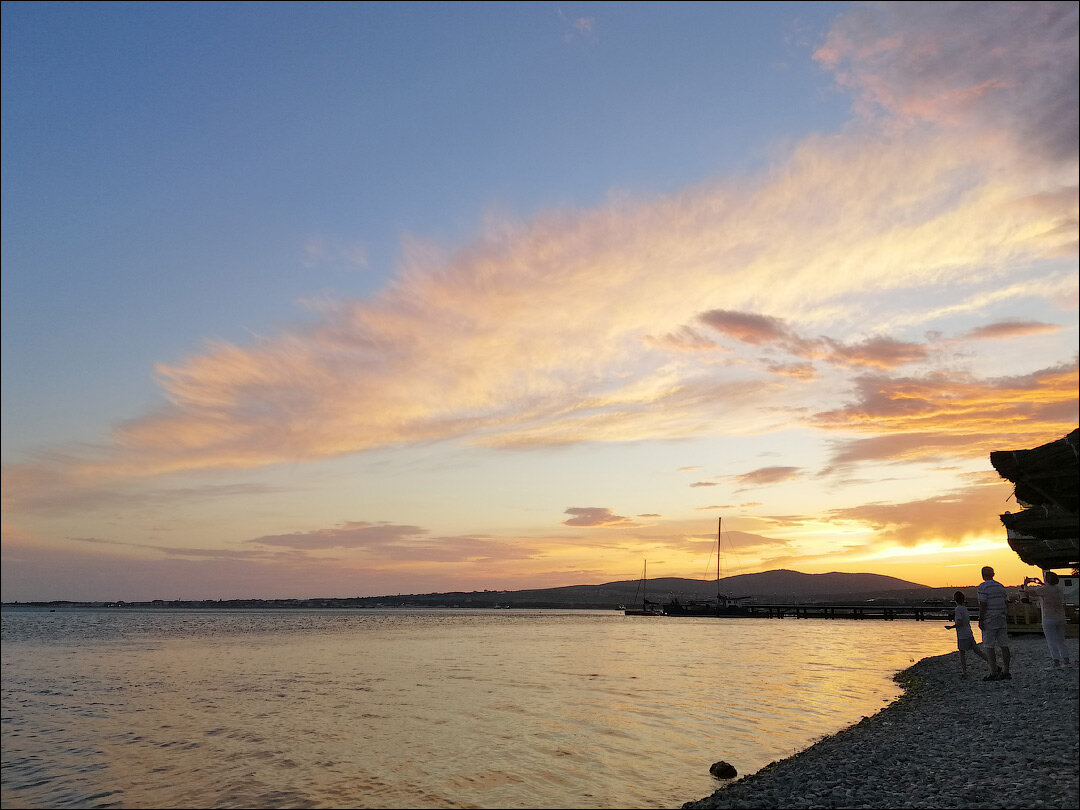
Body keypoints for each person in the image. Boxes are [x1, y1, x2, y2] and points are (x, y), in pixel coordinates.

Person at [1022, 572, 1072, 668]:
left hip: (1048, 617)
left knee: (1051, 640)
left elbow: (1027, 591)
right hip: (1061, 617)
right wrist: (1041, 583)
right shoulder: (1059, 589)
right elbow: (1049, 589)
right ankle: (1066, 660)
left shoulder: (1043, 589)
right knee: (1061, 640)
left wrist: (1025, 583)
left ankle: (1056, 661)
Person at [977, 565, 1011, 681]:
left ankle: (993, 672)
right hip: (1001, 618)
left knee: (989, 646)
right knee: (1004, 645)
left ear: (982, 575)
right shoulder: (1001, 586)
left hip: (989, 619)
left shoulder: (983, 587)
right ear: (993, 574)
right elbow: (1006, 603)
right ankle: (1006, 671)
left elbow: (983, 604)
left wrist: (980, 619)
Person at [944, 590, 988, 678]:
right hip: (969, 633)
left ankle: (964, 672)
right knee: (978, 651)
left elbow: (960, 623)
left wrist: (951, 627)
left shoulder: (958, 609)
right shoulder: (964, 608)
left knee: (962, 654)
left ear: (955, 600)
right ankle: (993, 664)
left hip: (962, 635)